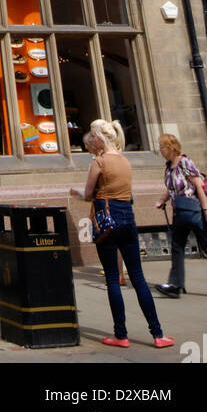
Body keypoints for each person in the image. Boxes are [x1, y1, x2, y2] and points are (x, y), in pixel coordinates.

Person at [69, 117, 173, 349]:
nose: (91, 139)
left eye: (93, 136)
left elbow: (88, 193)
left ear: (98, 137)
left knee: (113, 279)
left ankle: (121, 335)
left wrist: (77, 192)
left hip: (107, 219)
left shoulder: (99, 161)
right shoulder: (125, 160)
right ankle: (158, 334)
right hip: (128, 217)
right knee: (138, 277)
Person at [154, 132, 207, 300]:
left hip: (193, 212)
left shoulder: (185, 162)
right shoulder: (169, 166)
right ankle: (175, 285)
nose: (160, 150)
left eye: (162, 147)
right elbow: (172, 188)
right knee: (177, 247)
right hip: (179, 213)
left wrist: (206, 212)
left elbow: (199, 186)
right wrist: (162, 200)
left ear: (170, 147)